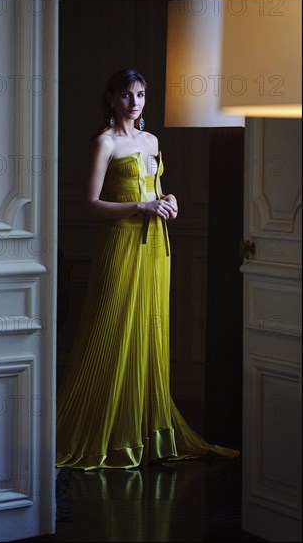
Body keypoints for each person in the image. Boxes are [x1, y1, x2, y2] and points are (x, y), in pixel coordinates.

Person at [56, 69, 240, 470]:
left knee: (148, 330)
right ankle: (105, 433)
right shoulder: (104, 143)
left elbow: (152, 190)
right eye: (125, 95)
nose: (134, 102)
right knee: (111, 327)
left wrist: (166, 199)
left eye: (140, 94)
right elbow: (90, 204)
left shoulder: (151, 140)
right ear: (110, 99)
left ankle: (143, 433)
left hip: (157, 244)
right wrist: (142, 206)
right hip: (121, 243)